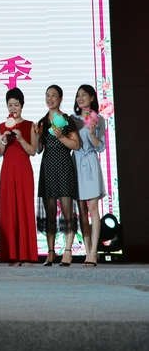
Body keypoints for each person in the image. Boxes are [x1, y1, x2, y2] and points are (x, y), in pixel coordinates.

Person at [36, 84, 81, 266]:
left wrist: (61, 136)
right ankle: (51, 252)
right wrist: (37, 136)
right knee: (50, 213)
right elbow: (38, 150)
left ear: (60, 98)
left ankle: (68, 251)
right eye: (47, 95)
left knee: (67, 210)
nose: (50, 99)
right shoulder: (42, 121)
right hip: (48, 167)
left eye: (54, 95)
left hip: (63, 166)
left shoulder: (66, 120)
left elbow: (76, 145)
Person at [0, 88, 38, 265]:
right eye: (10, 105)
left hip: (24, 171)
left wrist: (20, 139)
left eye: (16, 105)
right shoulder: (1, 126)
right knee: (9, 209)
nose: (13, 108)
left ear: (22, 105)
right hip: (7, 171)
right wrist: (3, 141)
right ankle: (10, 254)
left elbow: (33, 151)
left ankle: (26, 254)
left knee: (24, 209)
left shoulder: (30, 125)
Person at [73, 84, 106, 267]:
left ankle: (94, 252)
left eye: (84, 95)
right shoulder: (72, 119)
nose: (80, 98)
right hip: (76, 163)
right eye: (78, 95)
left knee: (93, 208)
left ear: (92, 98)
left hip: (91, 163)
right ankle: (87, 250)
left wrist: (92, 134)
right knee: (82, 211)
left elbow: (100, 147)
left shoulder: (99, 119)